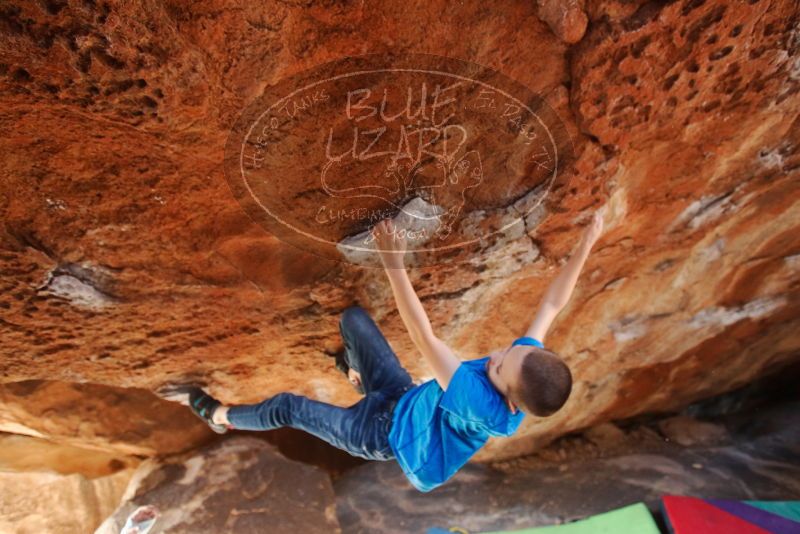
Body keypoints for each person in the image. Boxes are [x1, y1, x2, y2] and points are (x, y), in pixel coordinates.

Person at [159, 210, 605, 492]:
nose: (496, 354)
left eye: (499, 364)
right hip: (403, 398)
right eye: (509, 350)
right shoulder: (524, 372)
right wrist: (588, 243)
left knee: (288, 407)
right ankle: (356, 376)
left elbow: (423, 335)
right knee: (353, 320)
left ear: (507, 397)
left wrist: (393, 261)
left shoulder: (479, 400)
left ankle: (216, 416)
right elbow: (551, 305)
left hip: (377, 435)